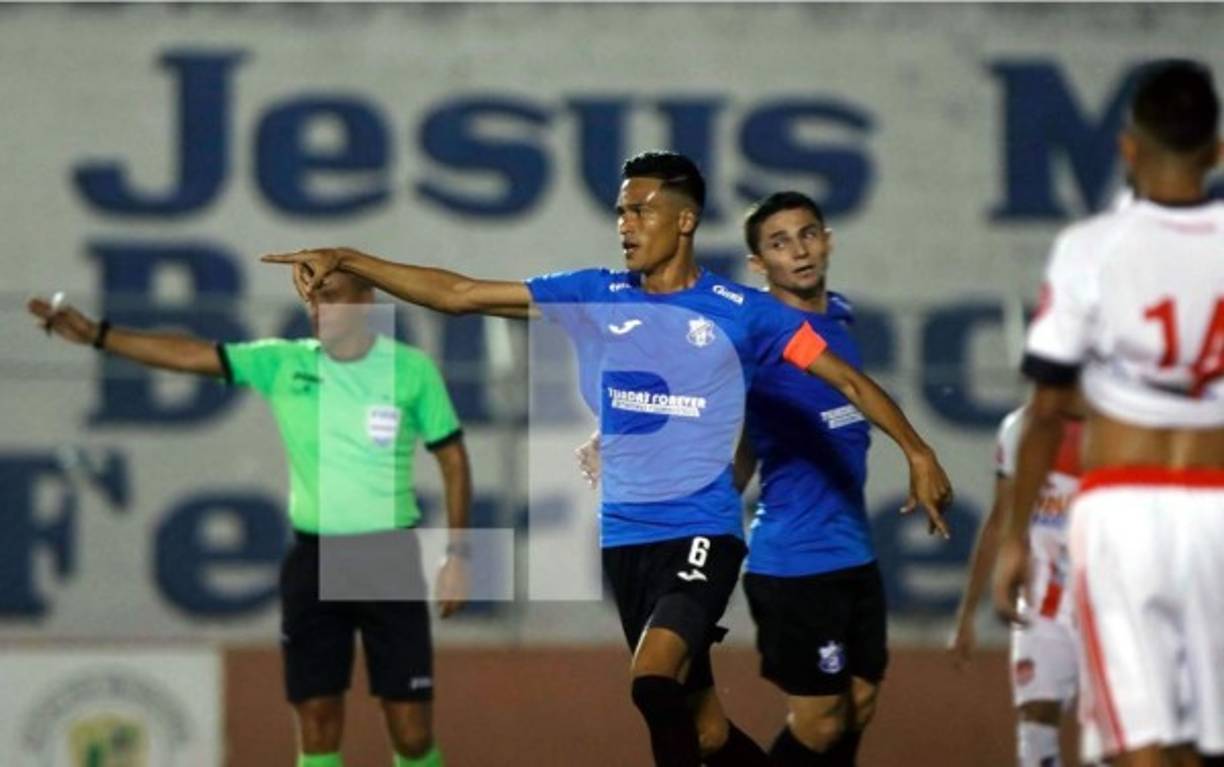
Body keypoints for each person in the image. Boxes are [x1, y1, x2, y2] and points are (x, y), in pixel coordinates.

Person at [263, 150, 953, 767]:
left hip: (704, 530)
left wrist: (918, 451)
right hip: (627, 537)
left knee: (652, 678)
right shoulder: (595, 294)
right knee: (705, 731)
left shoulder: (747, 313)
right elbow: (460, 294)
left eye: (640, 210)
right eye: (620, 211)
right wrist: (350, 258)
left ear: (683, 222)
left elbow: (849, 381)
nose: (624, 224)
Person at [29, 264, 472, 767]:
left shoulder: (410, 370)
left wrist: (458, 554)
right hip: (314, 557)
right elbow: (192, 355)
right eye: (312, 298)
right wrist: (99, 336)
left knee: (411, 733)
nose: (317, 307)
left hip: (386, 557)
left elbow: (453, 459)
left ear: (366, 302)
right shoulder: (283, 363)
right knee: (318, 722)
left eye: (331, 295)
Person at [577, 190, 928, 766]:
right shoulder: (754, 334)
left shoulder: (837, 317)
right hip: (793, 556)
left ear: (829, 240)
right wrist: (618, 440)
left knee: (857, 706)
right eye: (779, 242)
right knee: (818, 721)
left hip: (854, 553)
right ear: (758, 266)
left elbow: (742, 438)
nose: (800, 251)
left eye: (808, 234)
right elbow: (685, 389)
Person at [992, 59, 1224, 767]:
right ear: (1216, 150)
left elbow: (1047, 407)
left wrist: (1013, 539)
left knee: (1137, 738)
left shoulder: (1090, 249)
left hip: (1124, 506)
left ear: (1128, 146)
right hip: (1217, 503)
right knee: (1208, 735)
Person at [951, 405, 1083, 766]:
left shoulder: (1113, 425)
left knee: (1109, 729)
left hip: (1105, 604)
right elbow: (999, 520)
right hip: (1040, 601)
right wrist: (966, 614)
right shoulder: (1017, 428)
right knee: (1035, 720)